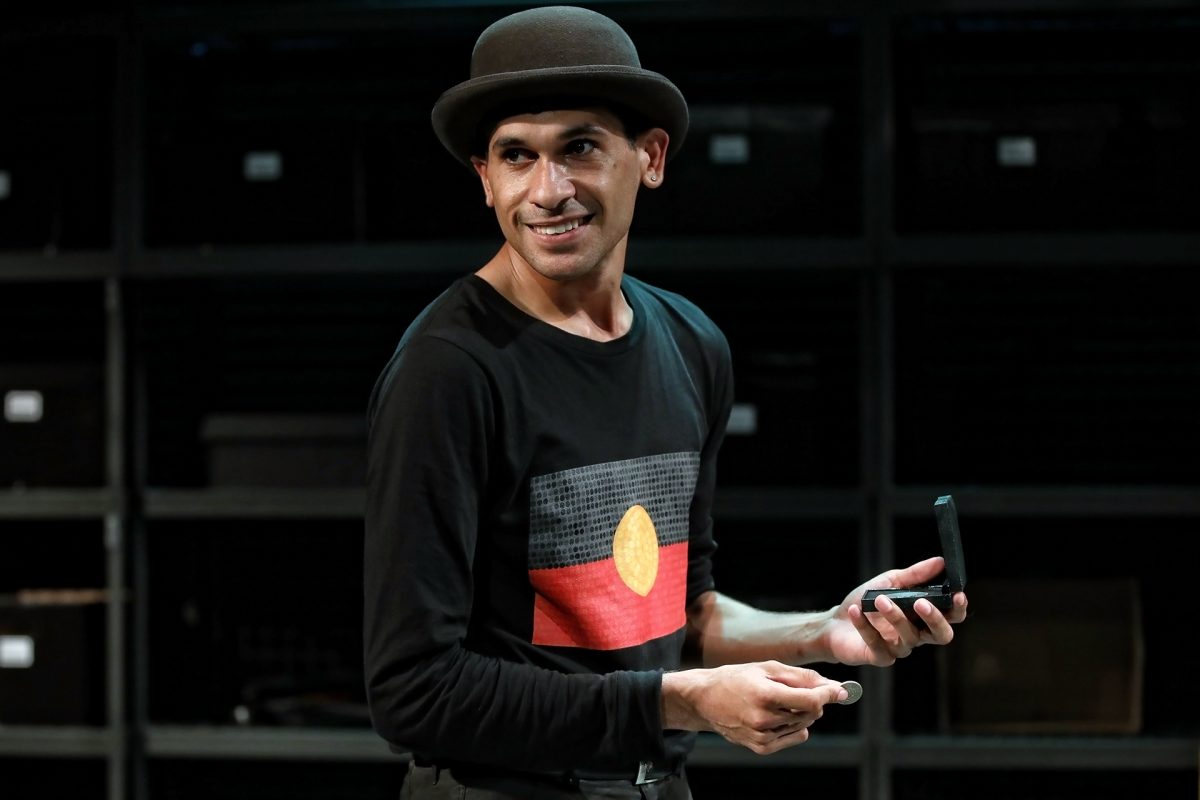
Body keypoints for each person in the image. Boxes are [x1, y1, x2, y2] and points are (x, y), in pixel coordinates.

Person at [363, 6, 969, 799]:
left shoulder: (691, 345)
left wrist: (827, 630)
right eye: (517, 156)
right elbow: (413, 693)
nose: (549, 191)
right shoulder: (449, 371)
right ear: (485, 177)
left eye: (579, 147)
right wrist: (678, 703)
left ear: (649, 158)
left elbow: (676, 612)